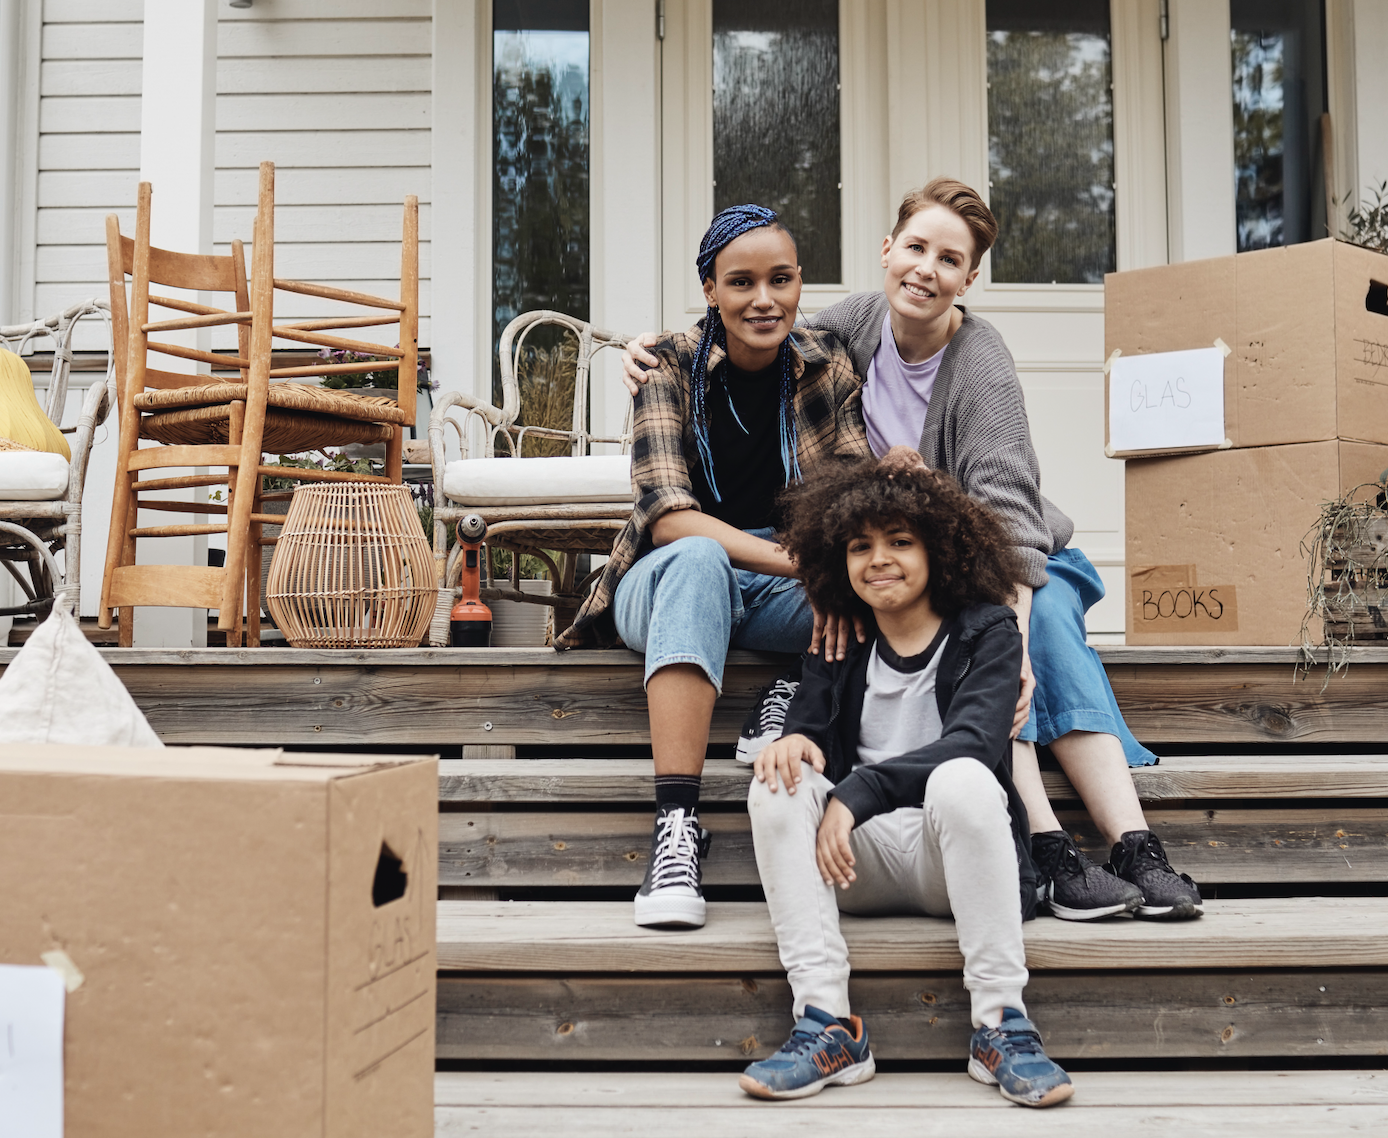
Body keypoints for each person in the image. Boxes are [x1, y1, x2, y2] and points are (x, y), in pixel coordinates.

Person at [621, 179, 1201, 923]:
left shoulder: (932, 361)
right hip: (782, 566)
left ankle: (1127, 845)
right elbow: (742, 346)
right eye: (916, 248)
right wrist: (642, 348)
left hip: (995, 549)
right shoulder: (826, 332)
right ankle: (1047, 848)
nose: (927, 269)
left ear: (971, 276)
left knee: (1027, 616)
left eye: (949, 258)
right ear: (887, 251)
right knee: (778, 569)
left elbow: (1008, 526)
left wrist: (1005, 644)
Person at [555, 203, 870, 929]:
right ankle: (676, 831)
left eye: (782, 279)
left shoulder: (827, 361)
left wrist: (829, 565)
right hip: (669, 577)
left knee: (873, 578)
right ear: (710, 289)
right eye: (742, 282)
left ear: (799, 283)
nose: (764, 299)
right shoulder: (666, 362)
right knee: (700, 554)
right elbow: (668, 515)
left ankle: (792, 685)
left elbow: (852, 492)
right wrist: (803, 566)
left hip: (778, 580)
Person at [740, 457, 1073, 1107]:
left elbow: (976, 742)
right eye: (859, 546)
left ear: (938, 548)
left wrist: (857, 792)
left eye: (899, 541)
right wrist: (795, 747)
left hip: (954, 858)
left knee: (964, 778)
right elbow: (807, 734)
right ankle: (827, 1024)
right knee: (777, 781)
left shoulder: (987, 629)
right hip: (853, 864)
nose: (877, 559)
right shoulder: (839, 636)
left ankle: (1000, 1024)